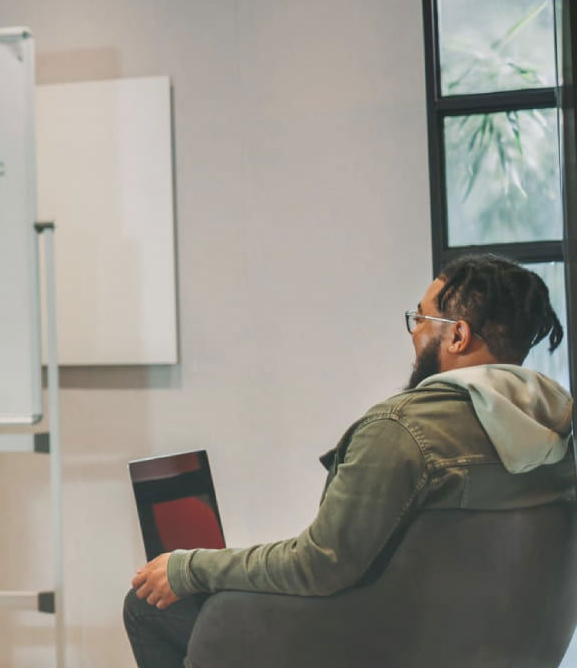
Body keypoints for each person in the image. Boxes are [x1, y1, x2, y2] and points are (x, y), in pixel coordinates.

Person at [123, 254, 577, 668]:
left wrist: (190, 566)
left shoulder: (404, 427)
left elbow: (320, 563)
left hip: (381, 646)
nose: (415, 332)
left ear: (456, 334)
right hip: (498, 646)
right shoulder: (556, 428)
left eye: (421, 318)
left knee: (151, 605)